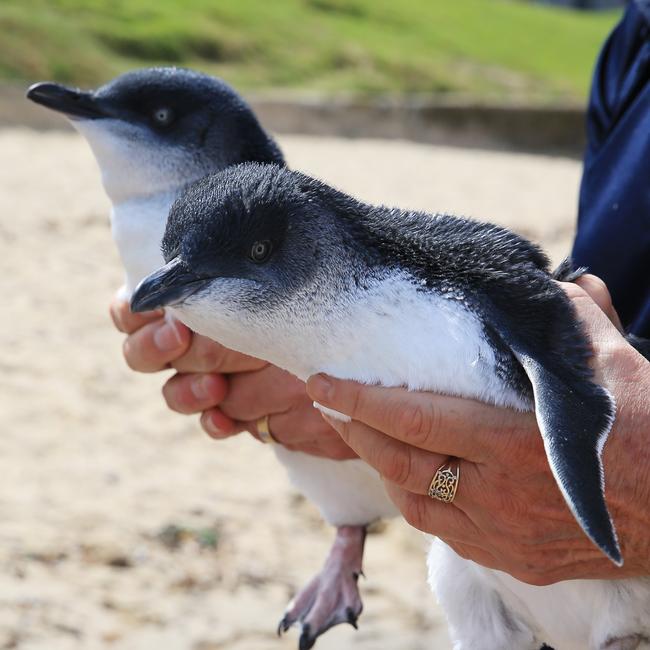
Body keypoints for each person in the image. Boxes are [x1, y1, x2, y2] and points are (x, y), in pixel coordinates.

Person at [109, 1, 650, 584]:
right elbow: (601, 296)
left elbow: (554, 324)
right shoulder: (635, 45)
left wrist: (634, 486)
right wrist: (339, 374)